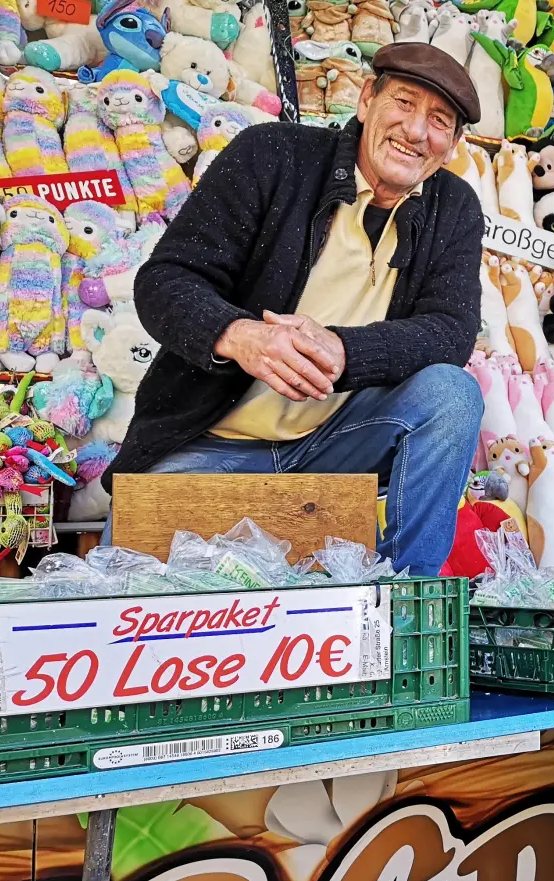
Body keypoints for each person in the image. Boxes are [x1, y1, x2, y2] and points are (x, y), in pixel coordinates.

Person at [104, 43, 486, 575]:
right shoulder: (272, 153)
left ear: (452, 144)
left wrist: (345, 349)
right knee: (128, 602)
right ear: (367, 98)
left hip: (336, 446)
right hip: (211, 445)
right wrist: (239, 336)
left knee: (452, 395)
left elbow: (451, 331)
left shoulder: (455, 207)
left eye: (440, 121)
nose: (417, 132)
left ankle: (405, 604)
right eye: (403, 103)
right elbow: (165, 280)